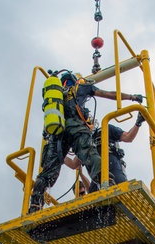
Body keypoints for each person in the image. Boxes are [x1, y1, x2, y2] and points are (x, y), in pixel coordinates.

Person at [28, 71, 144, 212]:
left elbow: (73, 163)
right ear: (76, 81)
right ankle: (108, 183)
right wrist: (131, 97)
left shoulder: (55, 96)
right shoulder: (82, 88)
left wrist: (54, 155)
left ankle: (34, 204)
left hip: (57, 134)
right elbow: (110, 94)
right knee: (90, 155)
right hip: (76, 128)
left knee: (47, 172)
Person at [65, 115, 145, 190]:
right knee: (94, 199)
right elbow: (74, 164)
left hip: (113, 170)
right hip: (96, 178)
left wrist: (138, 122)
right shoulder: (83, 142)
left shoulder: (106, 129)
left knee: (119, 192)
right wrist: (59, 154)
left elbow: (128, 137)